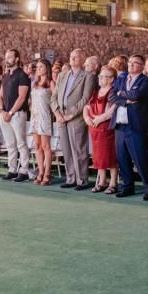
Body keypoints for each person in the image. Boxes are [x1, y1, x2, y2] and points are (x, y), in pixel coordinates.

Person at [109, 55, 148, 200]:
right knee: (122, 158)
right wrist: (125, 101)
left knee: (140, 158)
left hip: (135, 125)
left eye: (134, 63)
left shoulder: (146, 80)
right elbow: (111, 96)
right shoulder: (122, 78)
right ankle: (127, 186)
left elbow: (137, 95)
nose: (130, 65)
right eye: (129, 62)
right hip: (120, 125)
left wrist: (121, 94)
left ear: (142, 66)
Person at [52, 49, 97, 190]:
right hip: (61, 116)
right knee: (66, 149)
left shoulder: (88, 76)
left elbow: (86, 98)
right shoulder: (62, 75)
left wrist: (70, 114)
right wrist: (58, 113)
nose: (73, 59)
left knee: (79, 150)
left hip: (76, 117)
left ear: (83, 59)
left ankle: (81, 180)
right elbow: (53, 97)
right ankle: (70, 178)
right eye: (71, 56)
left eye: (76, 57)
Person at [85, 65, 118, 194]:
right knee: (98, 156)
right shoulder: (96, 92)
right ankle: (102, 181)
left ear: (111, 79)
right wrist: (87, 118)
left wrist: (100, 119)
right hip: (95, 129)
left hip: (107, 128)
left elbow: (112, 110)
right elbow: (87, 107)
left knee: (110, 155)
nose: (101, 78)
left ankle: (113, 182)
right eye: (100, 76)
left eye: (104, 76)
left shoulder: (113, 92)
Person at [0, 50, 31, 182]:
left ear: (17, 59)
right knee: (10, 144)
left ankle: (23, 170)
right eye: (6, 57)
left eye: (10, 57)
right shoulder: (5, 76)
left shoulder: (22, 75)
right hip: (4, 114)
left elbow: (22, 97)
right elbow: (0, 96)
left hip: (17, 114)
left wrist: (11, 112)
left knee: (21, 143)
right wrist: (2, 110)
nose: (7, 59)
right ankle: (12, 169)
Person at [28, 59, 54, 184]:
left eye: (41, 66)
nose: (38, 69)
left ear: (47, 68)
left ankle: (48, 173)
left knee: (46, 146)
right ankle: (41, 171)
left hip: (45, 116)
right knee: (37, 146)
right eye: (37, 67)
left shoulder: (50, 83)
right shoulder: (34, 83)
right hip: (34, 116)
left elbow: (55, 101)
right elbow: (31, 101)